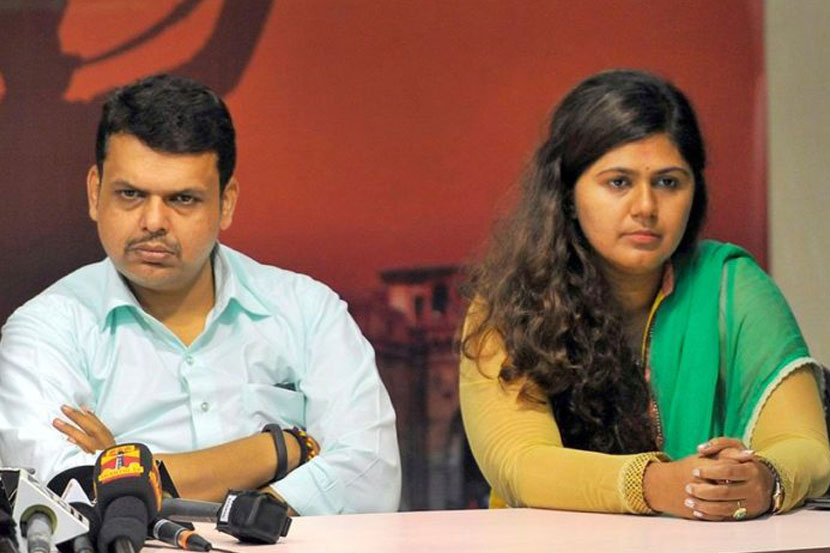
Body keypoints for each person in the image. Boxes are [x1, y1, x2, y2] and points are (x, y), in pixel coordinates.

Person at [0, 73, 401, 515]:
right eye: (130, 194)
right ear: (95, 193)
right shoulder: (45, 329)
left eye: (183, 200)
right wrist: (282, 449)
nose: (154, 222)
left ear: (226, 203)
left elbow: (370, 476)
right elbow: (61, 494)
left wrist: (132, 475)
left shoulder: (308, 310)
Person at [459, 69, 829, 521]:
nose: (646, 208)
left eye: (669, 182)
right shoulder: (510, 304)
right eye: (618, 182)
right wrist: (654, 484)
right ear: (568, 193)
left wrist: (764, 478)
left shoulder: (731, 287)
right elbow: (520, 464)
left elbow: (807, 446)